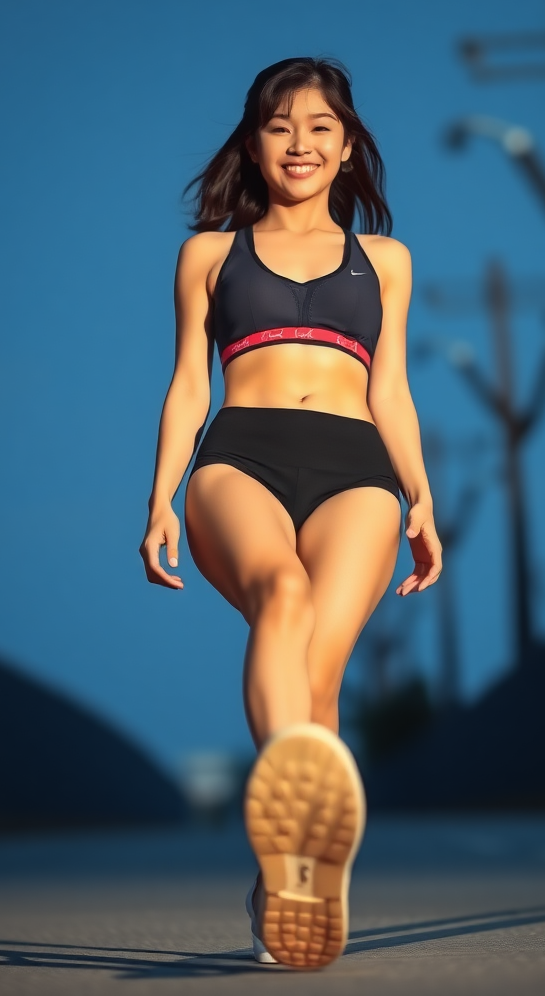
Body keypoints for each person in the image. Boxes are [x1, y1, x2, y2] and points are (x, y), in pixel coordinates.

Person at [140, 56, 442, 970]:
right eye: (280, 127)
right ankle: (294, 810)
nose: (300, 143)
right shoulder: (208, 254)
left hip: (357, 465)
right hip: (241, 456)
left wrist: (421, 493)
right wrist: (160, 493)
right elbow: (190, 382)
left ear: (347, 147)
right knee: (281, 594)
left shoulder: (385, 262)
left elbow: (390, 389)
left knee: (320, 678)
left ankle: (289, 877)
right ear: (255, 143)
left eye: (319, 127)